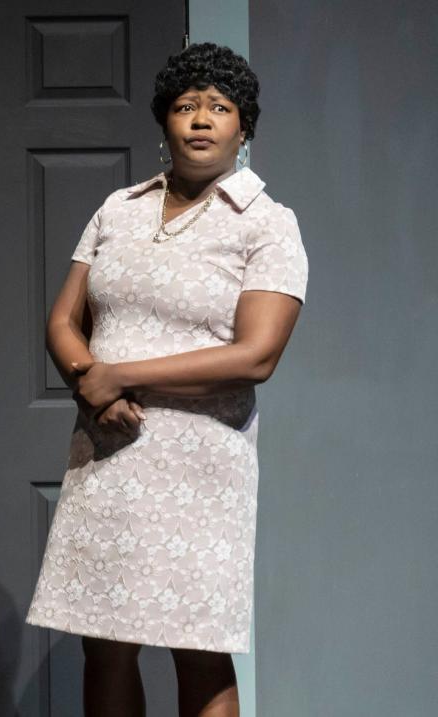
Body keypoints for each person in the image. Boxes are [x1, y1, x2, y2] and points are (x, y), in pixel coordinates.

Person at [26, 43, 307, 716]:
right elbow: (64, 317)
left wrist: (116, 374)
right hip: (108, 448)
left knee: (199, 645)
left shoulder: (267, 223)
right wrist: (90, 381)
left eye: (219, 107)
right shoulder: (118, 208)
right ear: (164, 123)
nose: (201, 120)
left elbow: (255, 355)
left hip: (201, 458)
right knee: (106, 642)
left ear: (245, 128)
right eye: (185, 107)